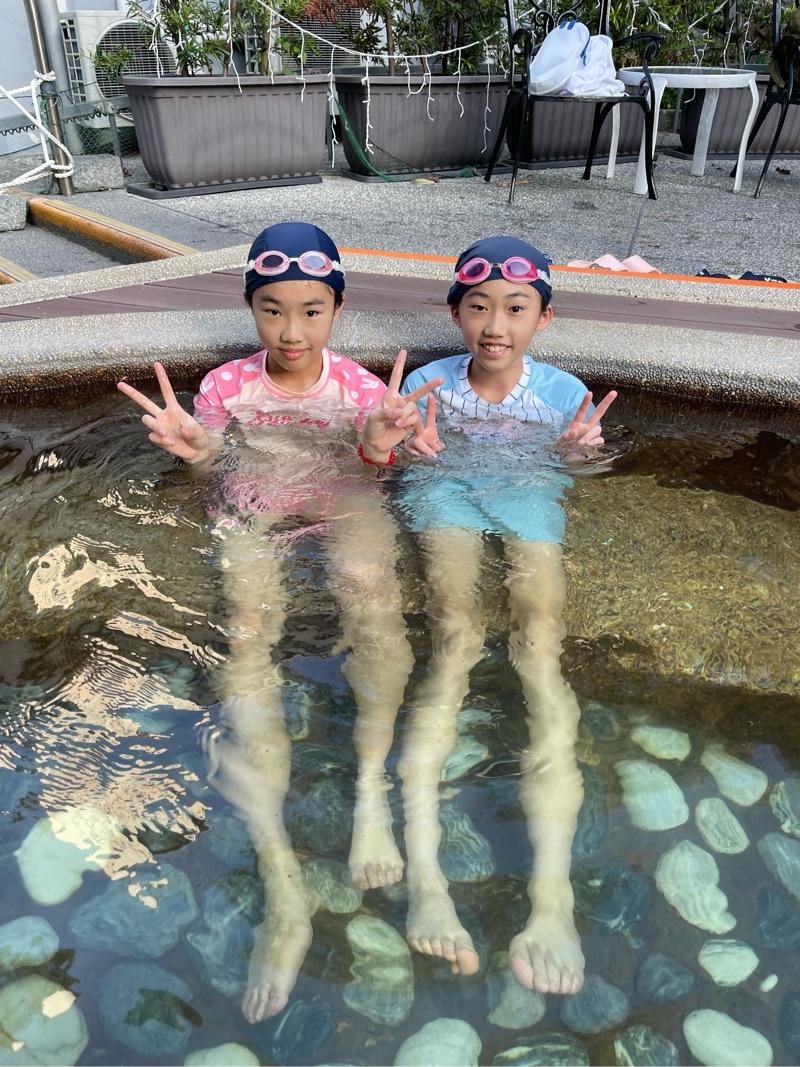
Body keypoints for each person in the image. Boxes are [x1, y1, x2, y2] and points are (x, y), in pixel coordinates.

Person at [118, 221, 439, 1023]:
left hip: (342, 497)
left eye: (311, 310)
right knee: (248, 626)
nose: (291, 330)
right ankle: (280, 874)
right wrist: (197, 455)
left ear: (338, 309)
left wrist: (378, 448)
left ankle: (371, 791)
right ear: (250, 306)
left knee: (374, 597)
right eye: (272, 310)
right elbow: (215, 470)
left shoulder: (361, 388)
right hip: (256, 501)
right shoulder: (227, 386)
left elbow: (375, 469)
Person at [394, 235, 616, 996]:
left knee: (540, 643)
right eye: (479, 307)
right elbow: (397, 452)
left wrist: (582, 455)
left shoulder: (564, 392)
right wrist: (411, 453)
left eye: (516, 308)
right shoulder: (426, 382)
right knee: (456, 635)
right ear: (456, 313)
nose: (496, 325)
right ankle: (427, 879)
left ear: (543, 317)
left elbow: (582, 464)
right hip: (448, 492)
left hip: (527, 493)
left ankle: (552, 898)